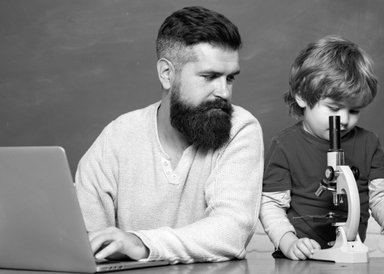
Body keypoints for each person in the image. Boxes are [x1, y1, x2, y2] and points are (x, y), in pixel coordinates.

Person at [75, 6, 264, 264]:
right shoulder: (118, 136)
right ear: (167, 74)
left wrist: (142, 244)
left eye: (230, 78)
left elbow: (231, 231)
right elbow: (88, 240)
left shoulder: (241, 128)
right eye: (209, 76)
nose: (224, 92)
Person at [259, 35, 384, 260]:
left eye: (354, 111)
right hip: (300, 257)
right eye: (334, 108)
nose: (344, 119)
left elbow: (380, 195)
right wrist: (289, 242)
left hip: (349, 256)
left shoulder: (369, 143)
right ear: (301, 96)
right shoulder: (284, 145)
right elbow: (270, 205)